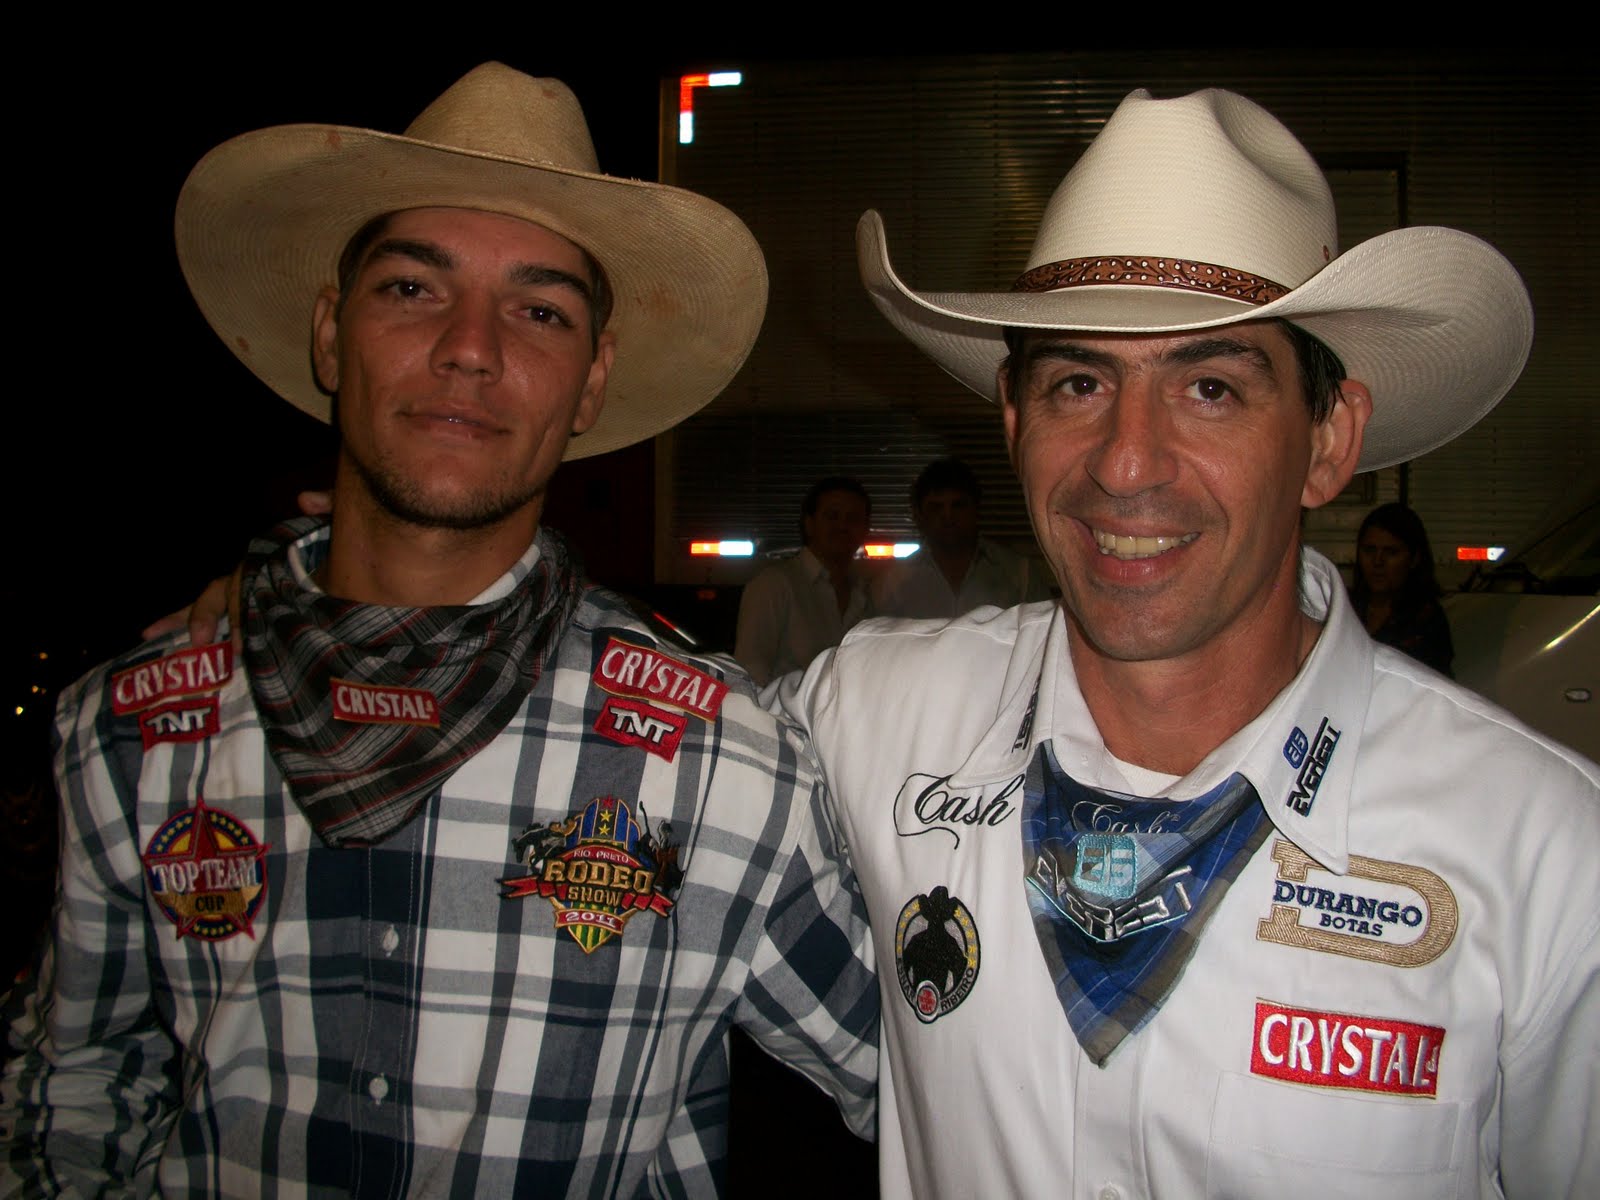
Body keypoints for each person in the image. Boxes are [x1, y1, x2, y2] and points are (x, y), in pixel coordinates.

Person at [0, 64, 876, 1196]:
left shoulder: (721, 759)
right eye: (413, 289)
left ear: (592, 379)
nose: (472, 345)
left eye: (541, 309)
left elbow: (929, 1079)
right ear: (331, 335)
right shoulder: (133, 727)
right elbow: (69, 1091)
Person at [780, 88, 1597, 1197]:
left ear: (1327, 440)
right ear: (1015, 424)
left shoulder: (1546, 855)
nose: (1126, 463)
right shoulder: (869, 716)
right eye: (1079, 381)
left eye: (1209, 388)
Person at [734, 476, 873, 686]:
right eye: (832, 516)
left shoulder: (867, 592)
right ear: (809, 524)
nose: (843, 526)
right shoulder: (775, 585)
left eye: (853, 518)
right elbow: (749, 672)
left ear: (865, 530)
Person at [872, 457, 1050, 618]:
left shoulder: (1019, 574)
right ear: (920, 515)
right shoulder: (893, 581)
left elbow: (1041, 640)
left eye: (958, 505)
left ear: (975, 509)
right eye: (936, 507)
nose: (948, 516)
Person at [1351, 502, 1454, 675]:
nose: (1377, 562)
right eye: (1369, 550)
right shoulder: (1344, 608)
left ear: (1414, 559)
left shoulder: (1426, 620)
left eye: (1391, 552)